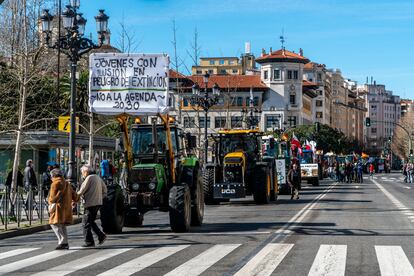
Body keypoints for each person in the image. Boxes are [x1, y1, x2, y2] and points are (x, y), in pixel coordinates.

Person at [77, 165, 107, 247]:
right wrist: (100, 197)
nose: (82, 174)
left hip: (90, 203)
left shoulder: (89, 178)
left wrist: (74, 198)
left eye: (82, 172)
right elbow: (105, 190)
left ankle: (89, 242)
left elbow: (81, 191)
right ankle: (101, 236)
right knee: (91, 222)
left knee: (85, 223)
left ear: (86, 172)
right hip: (97, 203)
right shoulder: (98, 177)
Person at [48, 169, 78, 250]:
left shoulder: (55, 183)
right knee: (62, 225)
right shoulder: (67, 183)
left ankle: (62, 242)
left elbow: (52, 198)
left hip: (58, 208)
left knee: (54, 224)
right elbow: (75, 196)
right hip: (66, 207)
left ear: (53, 176)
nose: (51, 178)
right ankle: (65, 243)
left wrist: (50, 201)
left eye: (51, 176)